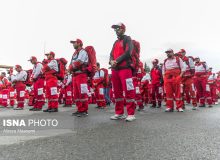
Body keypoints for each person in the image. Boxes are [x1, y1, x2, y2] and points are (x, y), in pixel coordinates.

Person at [109, 22, 136, 121]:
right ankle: (119, 113)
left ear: (123, 29)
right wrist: (111, 61)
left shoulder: (127, 39)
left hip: (125, 69)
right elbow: (111, 54)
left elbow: (128, 52)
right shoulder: (115, 42)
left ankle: (131, 114)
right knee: (117, 92)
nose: (116, 30)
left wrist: (117, 61)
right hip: (115, 69)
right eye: (115, 29)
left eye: (118, 28)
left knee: (128, 91)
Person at [69, 38, 89, 117]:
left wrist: (70, 68)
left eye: (75, 43)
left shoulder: (82, 52)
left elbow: (79, 62)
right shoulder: (74, 53)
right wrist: (70, 67)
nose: (73, 44)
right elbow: (72, 63)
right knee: (76, 94)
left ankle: (84, 110)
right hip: (75, 75)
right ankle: (79, 109)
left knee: (82, 93)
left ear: (79, 43)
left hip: (81, 75)